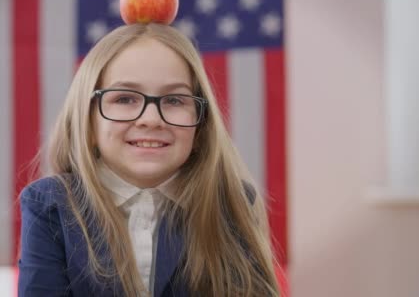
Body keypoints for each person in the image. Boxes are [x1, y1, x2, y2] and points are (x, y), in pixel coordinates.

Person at [18, 23, 280, 296]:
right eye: (124, 98)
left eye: (175, 101)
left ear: (201, 126)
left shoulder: (230, 203)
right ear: (88, 122)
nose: (151, 120)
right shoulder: (50, 205)